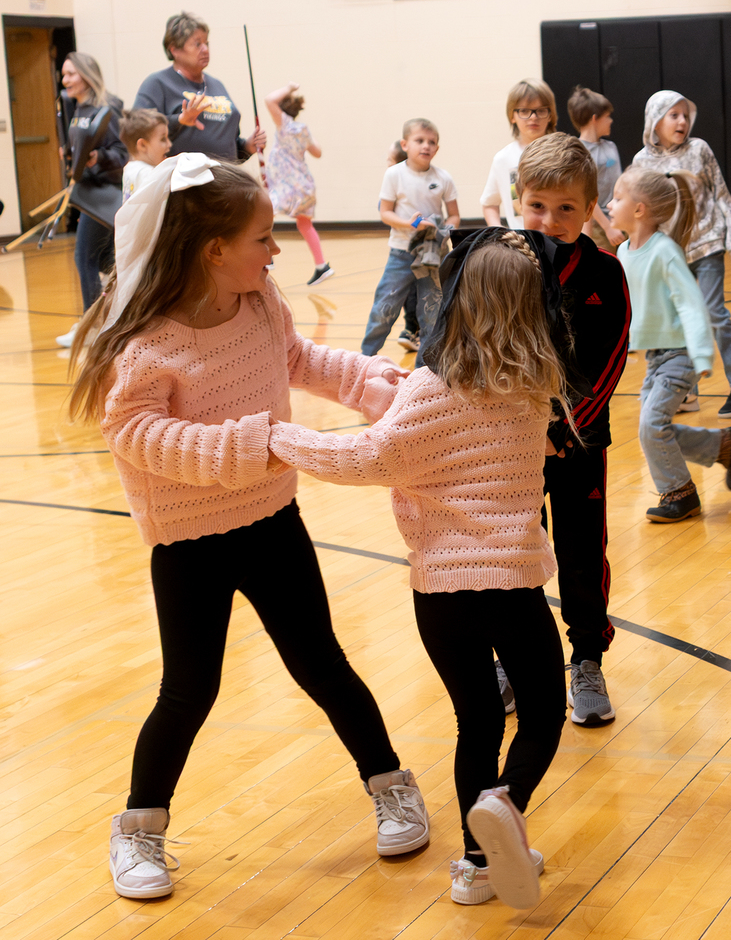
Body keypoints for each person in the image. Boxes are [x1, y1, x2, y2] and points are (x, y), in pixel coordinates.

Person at [68, 154, 429, 900]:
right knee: (188, 690)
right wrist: (251, 444)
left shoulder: (261, 301)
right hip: (189, 542)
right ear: (213, 251)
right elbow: (137, 436)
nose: (276, 252)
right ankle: (136, 830)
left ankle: (390, 782)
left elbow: (294, 358)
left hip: (271, 521)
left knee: (321, 662)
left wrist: (366, 382)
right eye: (264, 238)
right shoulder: (147, 344)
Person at [268, 228, 572, 909]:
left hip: (441, 593)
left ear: (458, 302)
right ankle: (506, 808)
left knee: (476, 723)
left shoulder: (428, 389)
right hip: (514, 584)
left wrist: (280, 437)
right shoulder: (535, 392)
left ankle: (475, 865)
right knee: (544, 712)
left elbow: (369, 460)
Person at [510, 133, 631, 726]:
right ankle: (513, 661)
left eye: (566, 208)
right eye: (538, 205)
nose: (550, 220)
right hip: (511, 446)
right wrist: (526, 425)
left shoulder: (607, 273)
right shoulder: (501, 267)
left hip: (581, 445)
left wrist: (568, 427)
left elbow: (609, 359)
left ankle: (586, 660)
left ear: (589, 209)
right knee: (514, 551)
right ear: (518, 200)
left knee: (582, 553)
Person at [608, 167, 731, 521]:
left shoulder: (665, 251)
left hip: (680, 356)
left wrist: (702, 353)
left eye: (617, 197)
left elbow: (691, 303)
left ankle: (680, 493)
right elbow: (628, 306)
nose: (609, 204)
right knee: (654, 431)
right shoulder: (624, 252)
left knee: (650, 426)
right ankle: (723, 446)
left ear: (640, 209)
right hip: (656, 358)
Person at [633, 90, 731, 417]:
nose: (682, 121)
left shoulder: (699, 149)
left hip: (707, 244)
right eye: (673, 115)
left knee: (715, 314)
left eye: (685, 115)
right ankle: (687, 394)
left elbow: (721, 192)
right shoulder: (642, 162)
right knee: (676, 323)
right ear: (654, 121)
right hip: (670, 253)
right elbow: (641, 211)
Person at [361, 118, 460, 365]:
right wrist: (411, 224)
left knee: (431, 313)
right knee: (385, 306)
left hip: (432, 255)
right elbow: (385, 213)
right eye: (419, 140)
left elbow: (454, 214)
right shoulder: (394, 174)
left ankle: (423, 370)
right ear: (405, 144)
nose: (426, 146)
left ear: (437, 148)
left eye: (431, 142)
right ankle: (364, 360)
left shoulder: (443, 178)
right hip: (401, 254)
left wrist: (445, 230)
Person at [55, 53, 127, 348]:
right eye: (64, 74)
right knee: (107, 262)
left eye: (71, 73)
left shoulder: (106, 107)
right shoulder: (77, 107)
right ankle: (111, 321)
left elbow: (122, 153)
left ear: (86, 74)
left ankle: (90, 326)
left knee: (84, 257)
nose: (65, 80)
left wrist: (99, 158)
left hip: (104, 194)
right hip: (87, 193)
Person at [133, 11, 266, 162]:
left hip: (225, 180)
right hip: (184, 181)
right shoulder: (157, 84)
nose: (205, 49)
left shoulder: (217, 85)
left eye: (206, 43)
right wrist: (180, 120)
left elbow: (229, 145)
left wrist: (247, 147)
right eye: (197, 44)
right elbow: (137, 131)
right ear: (174, 49)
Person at [264, 82, 330, 285]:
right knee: (304, 223)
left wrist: (290, 88)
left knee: (264, 212)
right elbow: (317, 152)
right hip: (304, 185)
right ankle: (322, 266)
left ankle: (267, 257)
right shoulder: (303, 130)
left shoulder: (284, 125)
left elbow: (269, 100)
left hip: (289, 185)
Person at [480, 78, 557, 230]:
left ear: (550, 115)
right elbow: (489, 203)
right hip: (521, 246)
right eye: (524, 111)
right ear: (512, 116)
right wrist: (500, 234)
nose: (533, 117)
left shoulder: (563, 153)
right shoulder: (503, 159)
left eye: (541, 110)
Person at [567, 86, 625, 253]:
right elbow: (586, 195)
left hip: (620, 219)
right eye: (607, 116)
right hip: (600, 226)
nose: (611, 121)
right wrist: (607, 228)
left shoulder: (611, 146)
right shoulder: (578, 152)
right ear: (595, 118)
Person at [384, 139, 419, 353]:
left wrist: (410, 224)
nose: (386, 164)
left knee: (417, 292)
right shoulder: (392, 187)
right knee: (407, 292)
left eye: (389, 160)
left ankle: (414, 330)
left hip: (417, 249)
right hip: (400, 249)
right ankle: (411, 330)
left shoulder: (411, 188)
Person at [119, 108, 171, 201]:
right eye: (163, 139)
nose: (169, 144)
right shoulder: (147, 175)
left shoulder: (129, 168)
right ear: (142, 145)